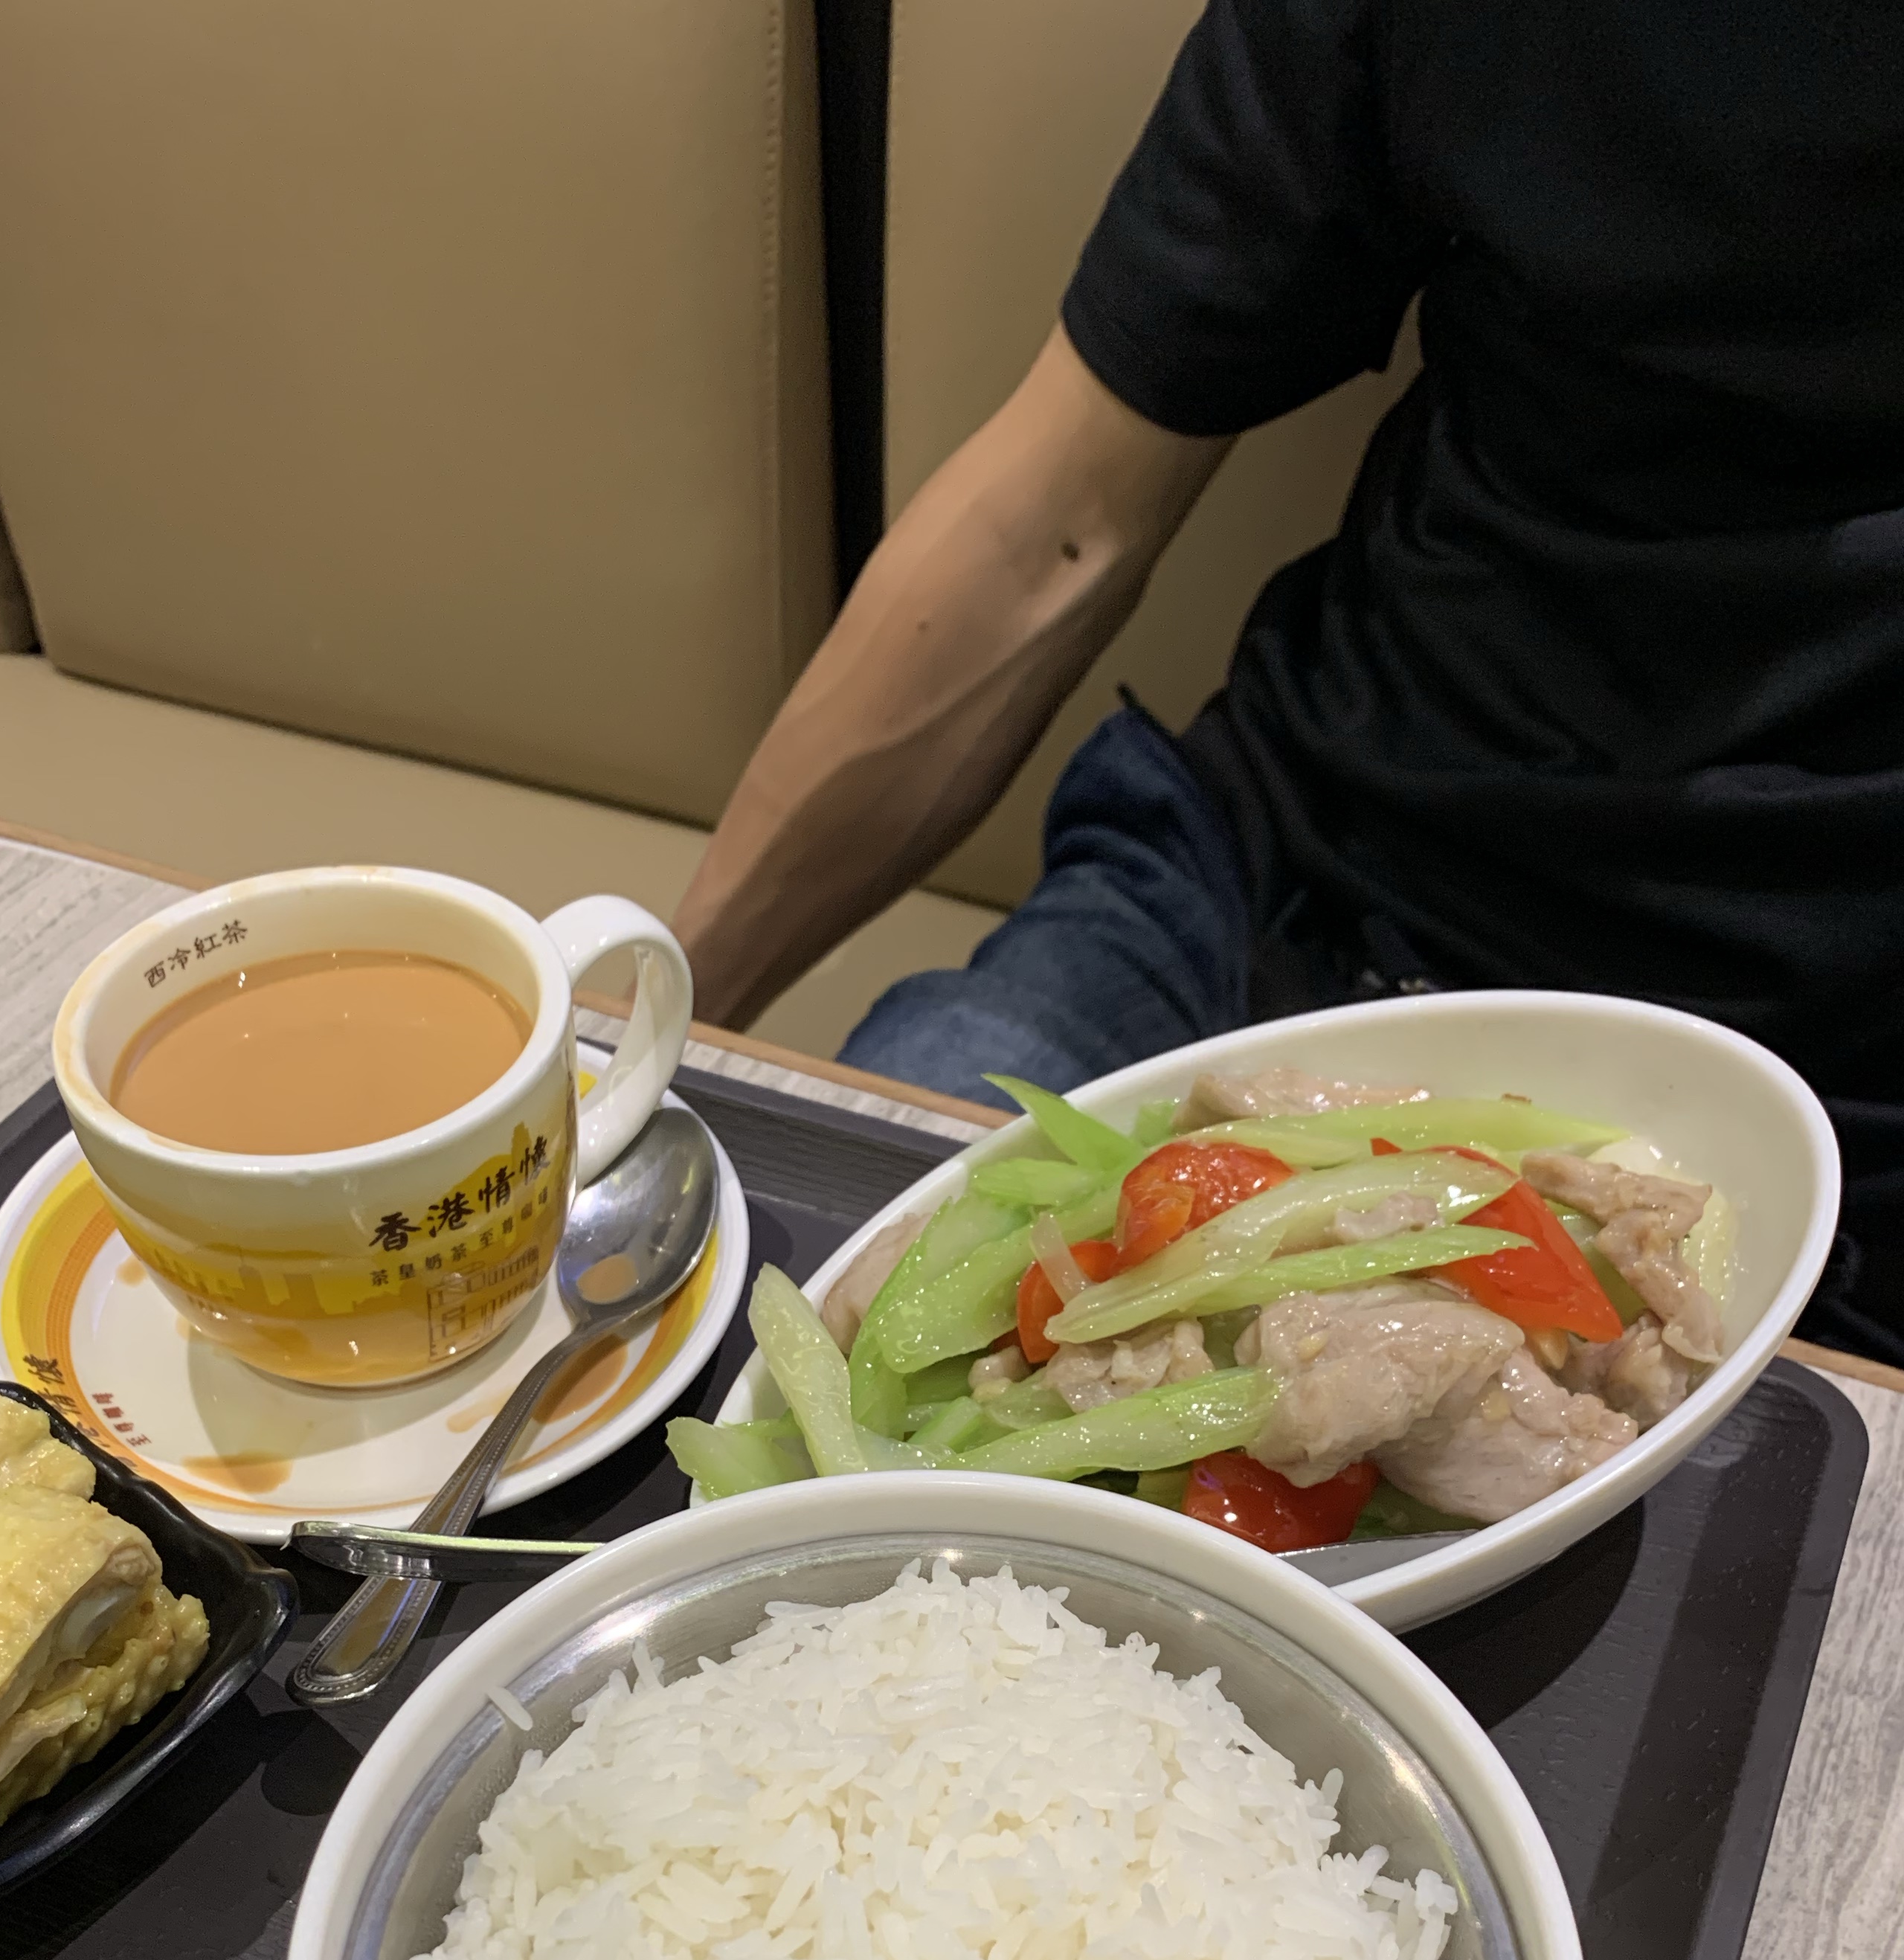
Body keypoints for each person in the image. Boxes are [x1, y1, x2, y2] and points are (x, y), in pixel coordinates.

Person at [669, 0, 1903, 1363]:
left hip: (1836, 1097)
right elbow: (1056, 523)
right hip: (1276, 902)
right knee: (802, 1329)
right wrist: (641, 1036)